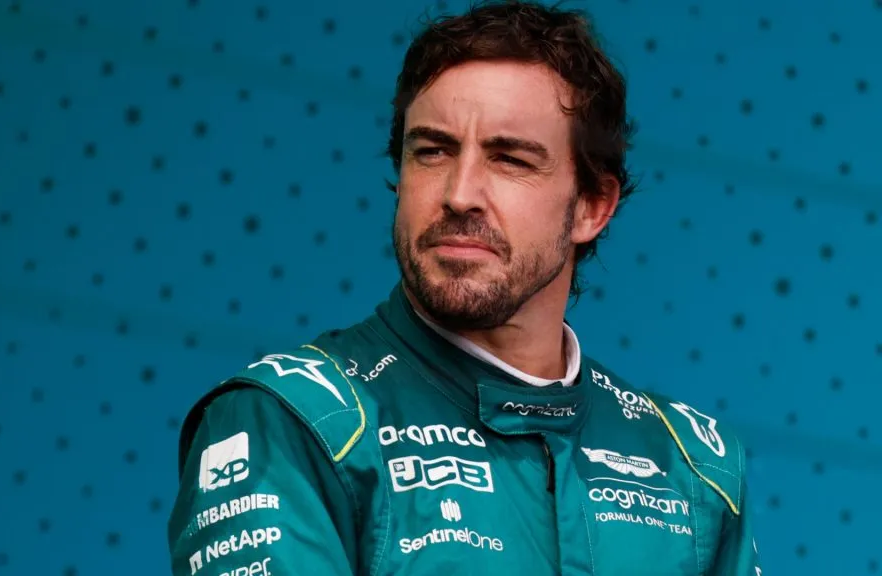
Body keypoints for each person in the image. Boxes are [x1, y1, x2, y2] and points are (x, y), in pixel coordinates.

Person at [167, 1, 763, 574]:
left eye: (510, 160)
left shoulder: (692, 465)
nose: (459, 193)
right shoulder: (292, 421)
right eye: (432, 151)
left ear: (591, 206)